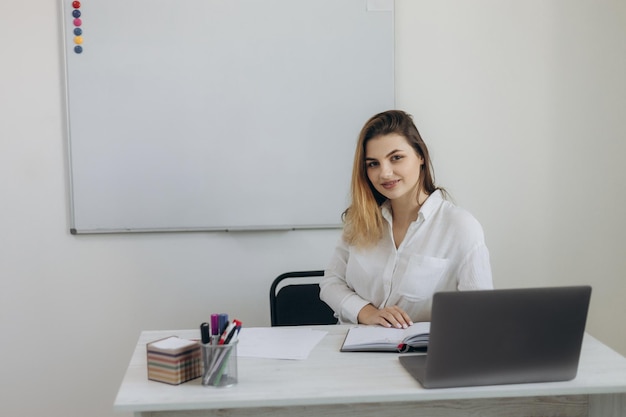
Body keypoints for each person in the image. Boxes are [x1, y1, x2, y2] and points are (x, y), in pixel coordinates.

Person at [320, 110, 493, 329]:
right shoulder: (360, 221)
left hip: (418, 354)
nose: (384, 173)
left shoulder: (460, 227)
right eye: (373, 163)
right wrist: (367, 313)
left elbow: (480, 313)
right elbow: (331, 283)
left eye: (396, 158)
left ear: (420, 156)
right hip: (350, 347)